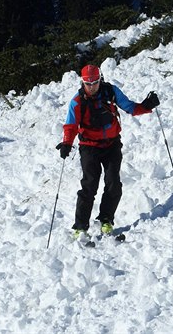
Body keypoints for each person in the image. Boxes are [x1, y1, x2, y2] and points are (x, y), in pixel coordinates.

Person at [56, 64, 160, 239]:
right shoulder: (77, 101)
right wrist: (67, 143)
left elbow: (130, 107)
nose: (92, 87)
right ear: (82, 82)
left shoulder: (110, 91)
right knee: (89, 185)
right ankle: (80, 227)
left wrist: (146, 106)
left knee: (113, 183)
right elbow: (71, 125)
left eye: (95, 82)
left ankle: (106, 220)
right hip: (89, 147)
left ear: (100, 79)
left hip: (111, 145)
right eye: (88, 83)